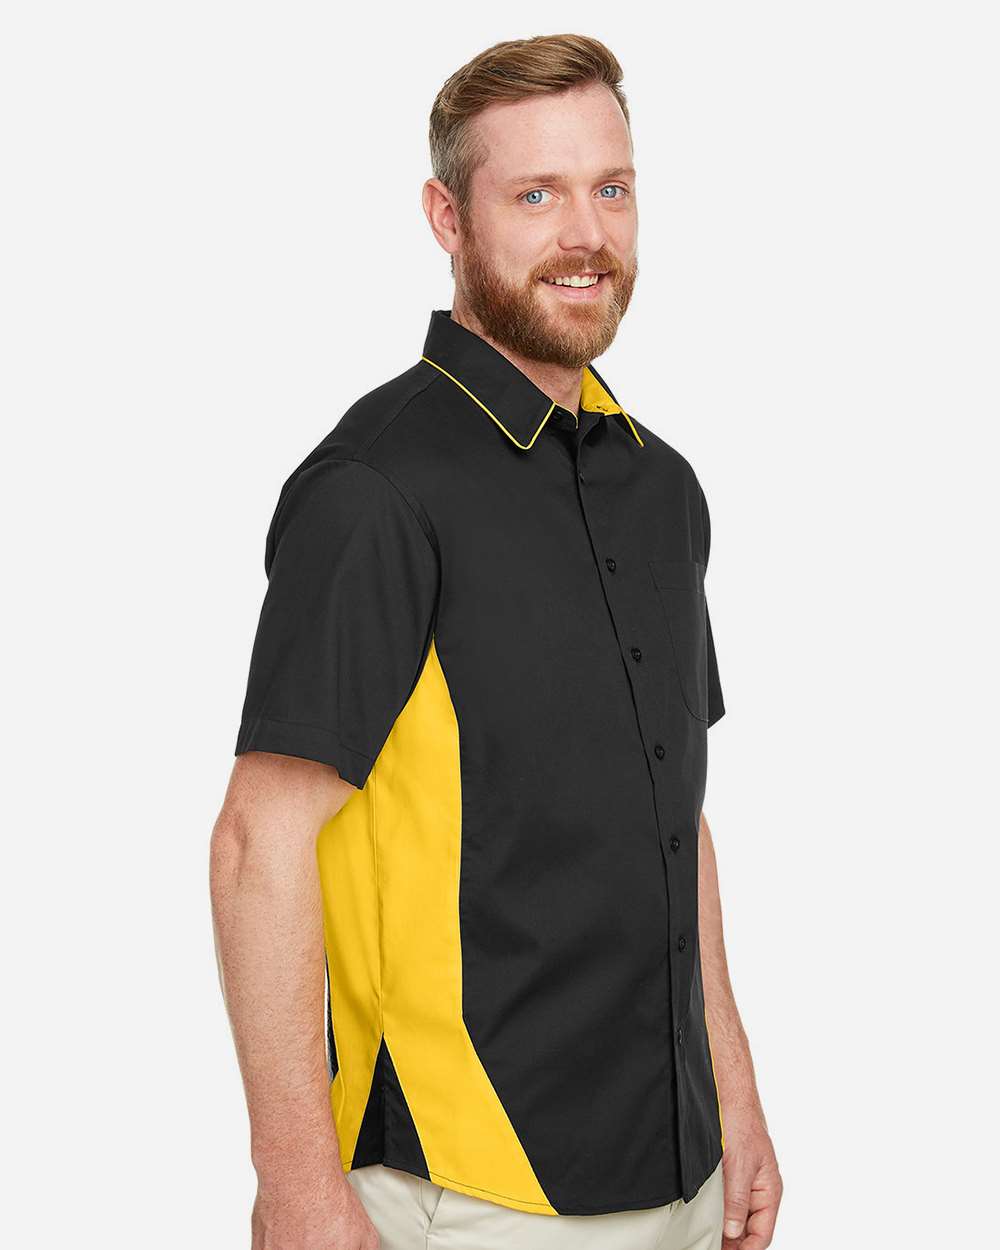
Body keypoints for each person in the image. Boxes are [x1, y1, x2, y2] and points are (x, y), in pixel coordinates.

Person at [210, 33, 782, 1250]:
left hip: (682, 1173)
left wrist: (731, 1087)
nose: (586, 233)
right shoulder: (374, 490)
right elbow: (259, 842)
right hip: (467, 1194)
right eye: (535, 195)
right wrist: (297, 1187)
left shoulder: (662, 487)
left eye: (610, 188)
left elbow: (670, 815)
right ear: (446, 217)